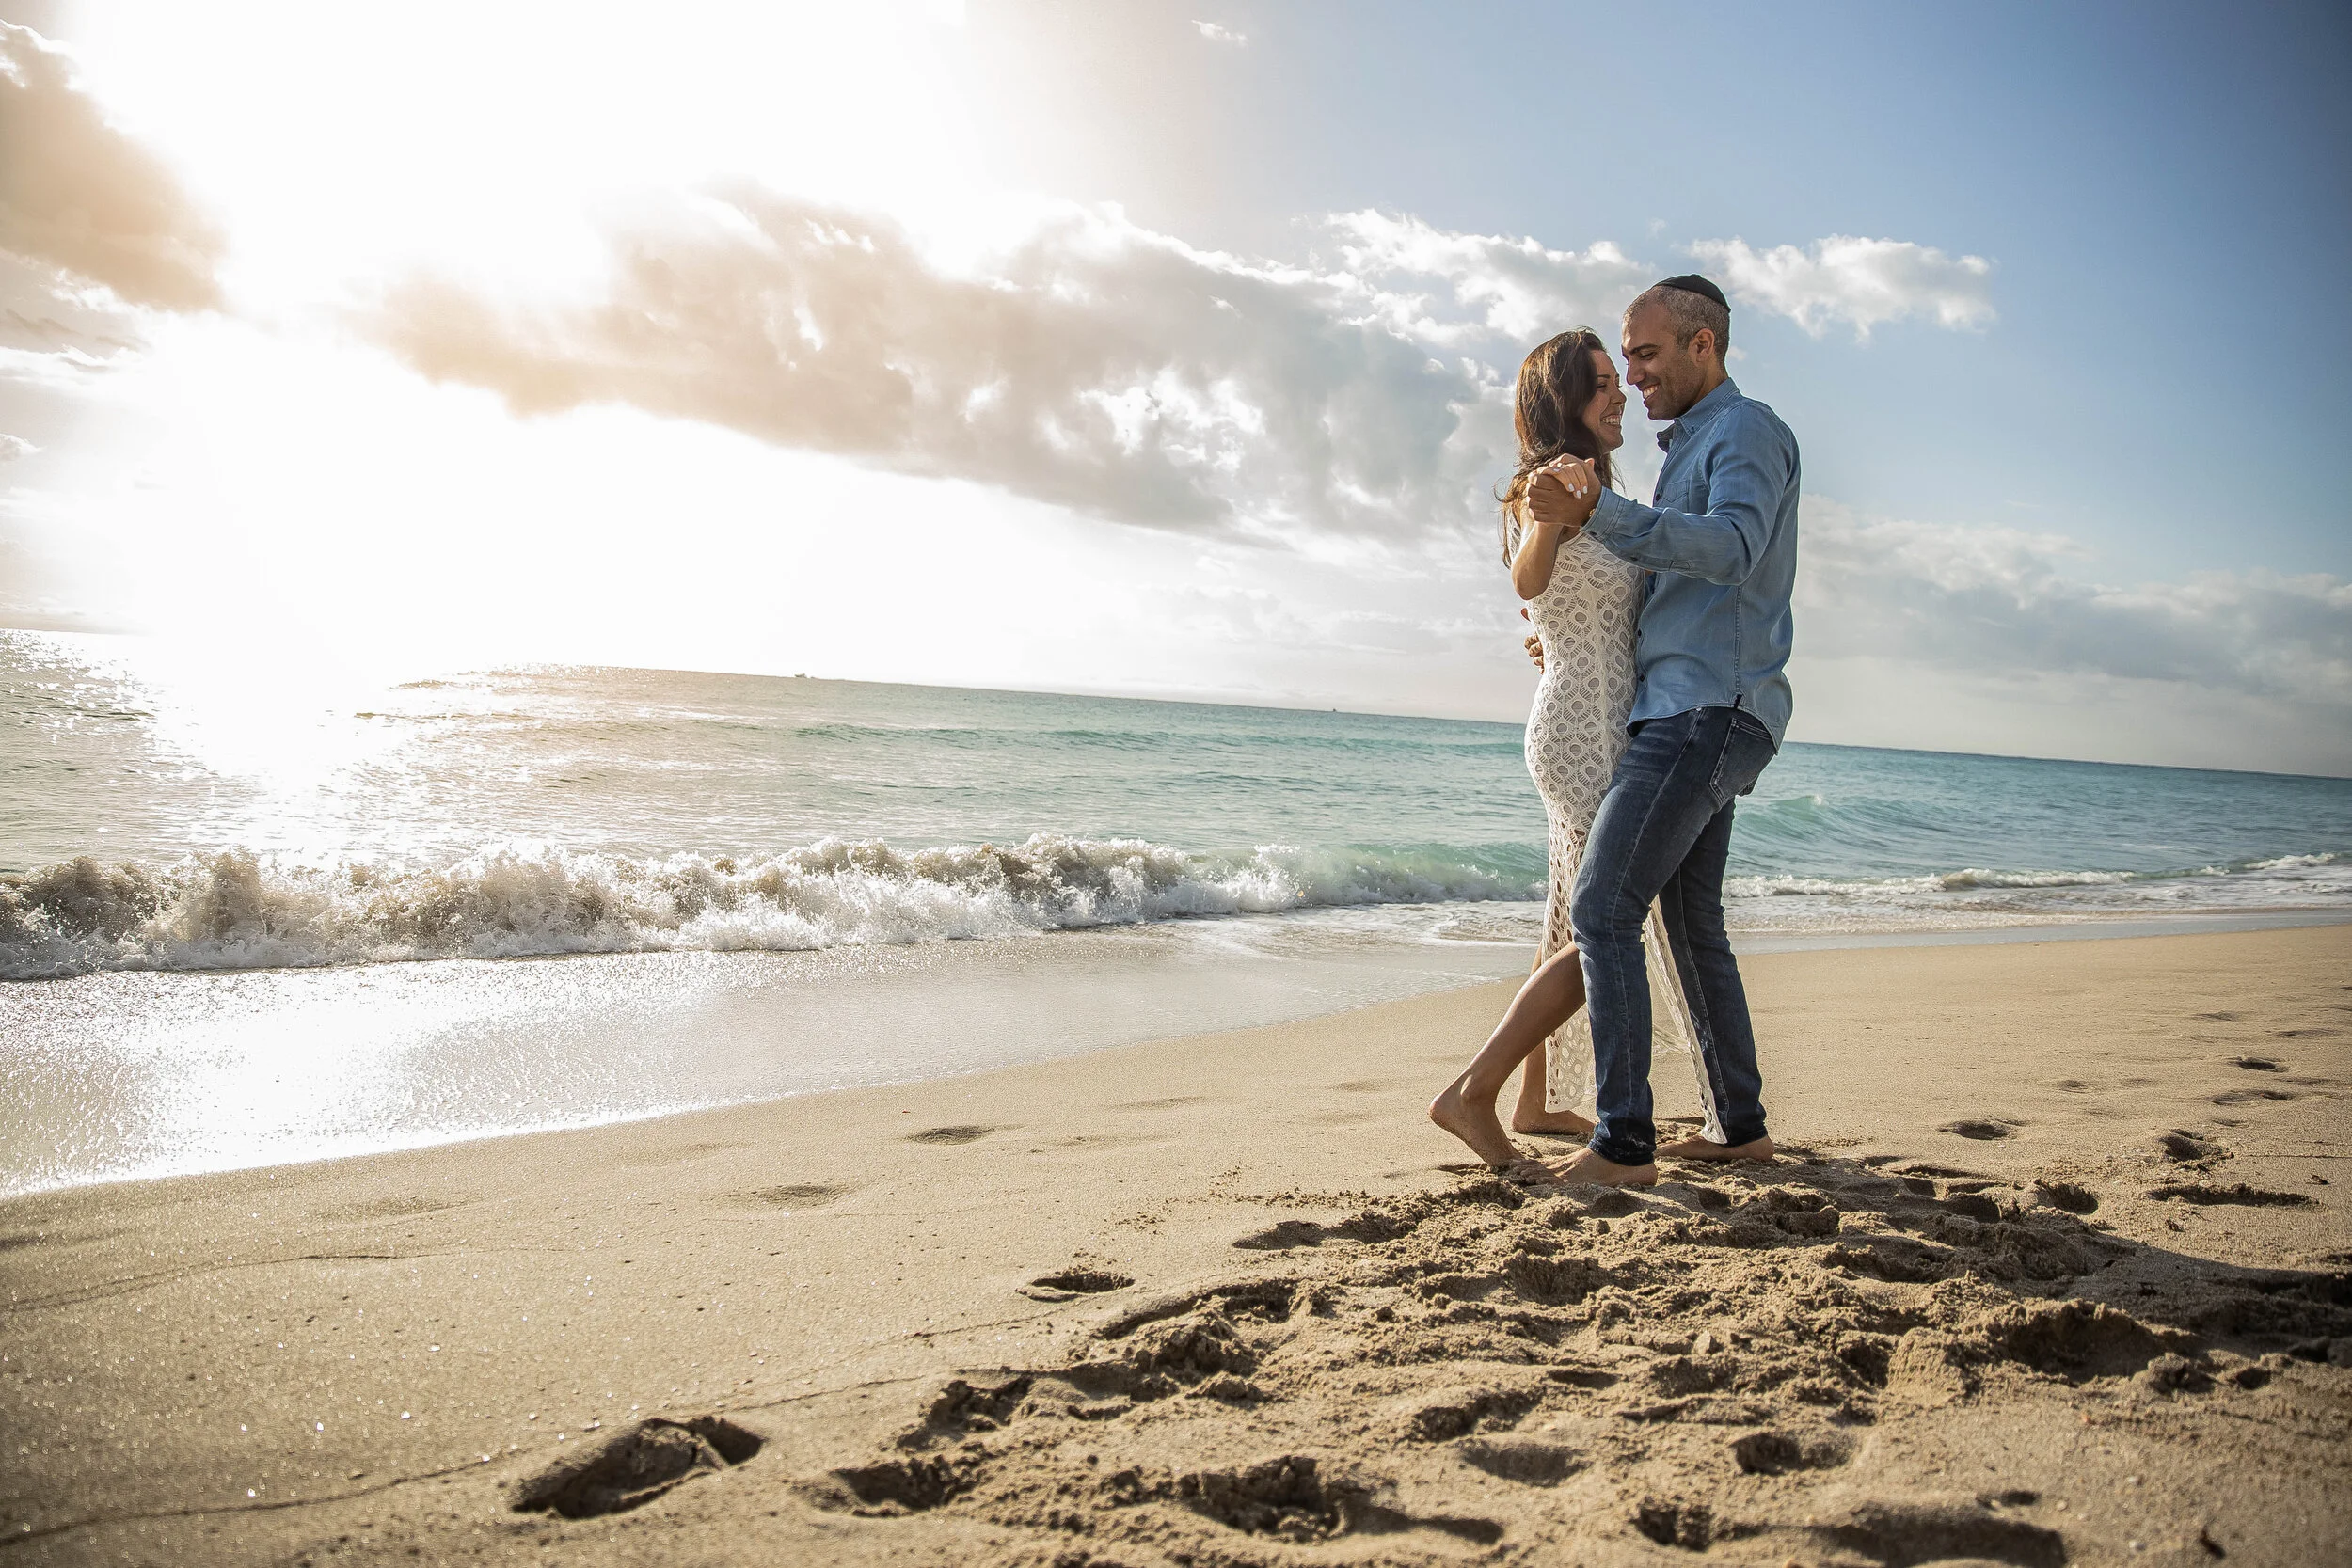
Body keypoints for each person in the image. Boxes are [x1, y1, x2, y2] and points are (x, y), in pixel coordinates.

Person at [1523, 274, 1801, 1187]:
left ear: (1700, 347)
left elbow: (1730, 548)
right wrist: (1560, 633)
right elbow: (1657, 585)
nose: (1632, 372)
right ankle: (1739, 1125)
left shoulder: (1744, 430)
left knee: (1602, 906)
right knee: (1688, 921)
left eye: (1644, 353)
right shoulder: (1684, 451)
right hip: (1683, 704)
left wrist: (1601, 512)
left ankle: (1624, 1139)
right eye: (1623, 358)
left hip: (1704, 707)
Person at [1427, 328, 1705, 1170]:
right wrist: (1548, 533)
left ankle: (1535, 1098)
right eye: (1598, 385)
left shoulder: (1600, 488)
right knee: (1605, 924)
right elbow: (1528, 580)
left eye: (1617, 381)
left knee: (1570, 917)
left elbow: (1590, 609)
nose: (1617, 394)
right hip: (1583, 727)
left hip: (1595, 711)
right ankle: (1470, 1092)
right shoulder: (1552, 483)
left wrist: (1550, 628)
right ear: (1562, 403)